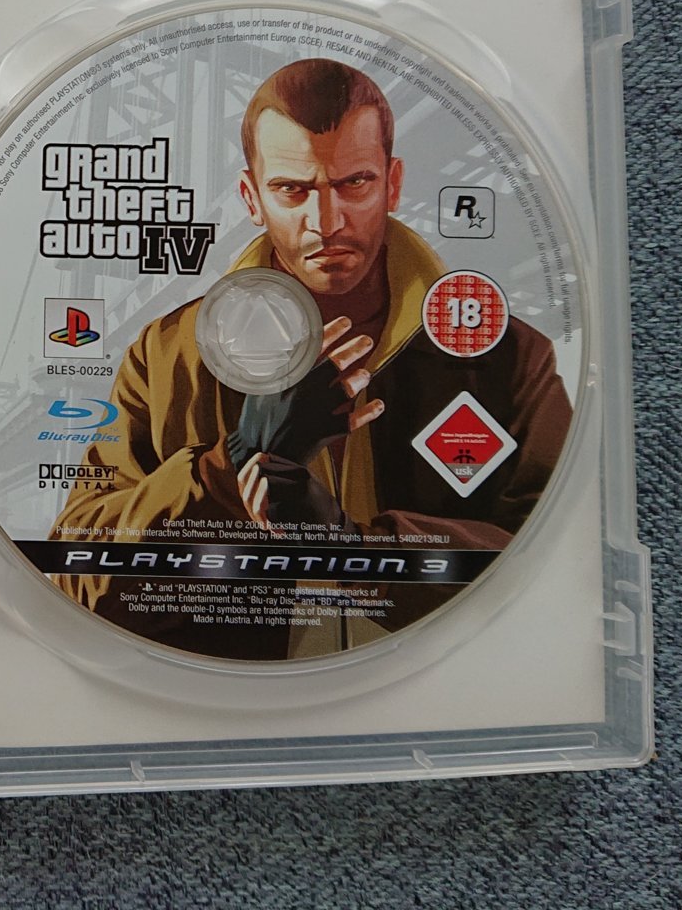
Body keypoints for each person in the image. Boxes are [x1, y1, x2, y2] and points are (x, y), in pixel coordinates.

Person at [49, 58, 572, 660]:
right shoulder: (166, 354)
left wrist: (349, 546)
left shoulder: (510, 355)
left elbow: (556, 559)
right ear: (251, 197)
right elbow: (76, 575)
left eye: (355, 183)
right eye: (292, 190)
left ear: (393, 184)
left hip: (445, 685)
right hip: (223, 698)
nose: (326, 222)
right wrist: (225, 473)